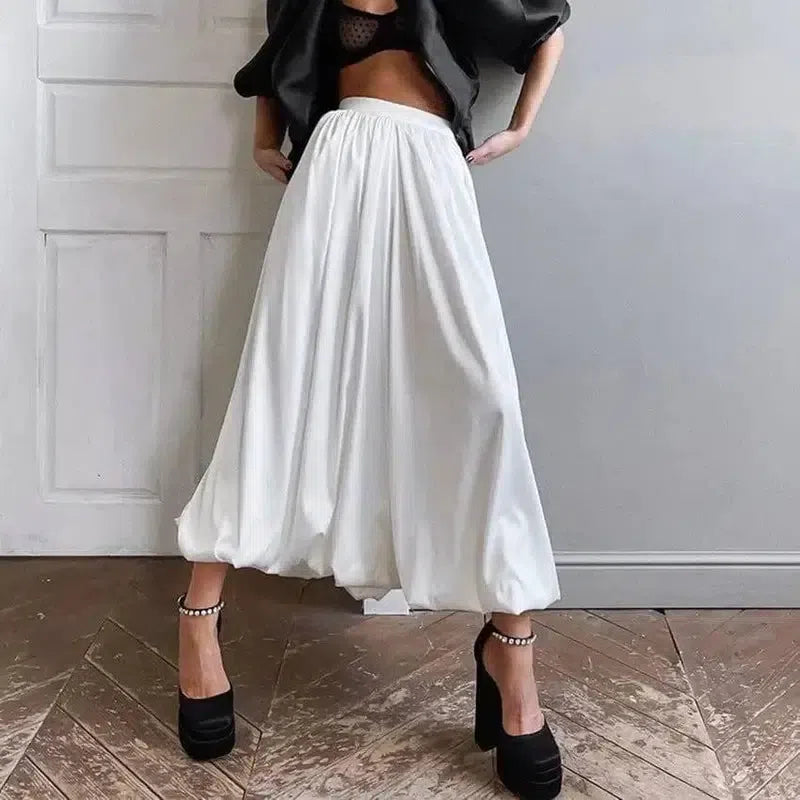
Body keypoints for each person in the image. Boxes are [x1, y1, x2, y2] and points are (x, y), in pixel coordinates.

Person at [174, 1, 570, 797]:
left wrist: (523, 127)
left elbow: (546, 26)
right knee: (280, 386)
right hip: (332, 172)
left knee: (485, 400)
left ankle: (511, 646)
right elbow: (277, 57)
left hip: (430, 169)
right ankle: (197, 624)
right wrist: (262, 139)